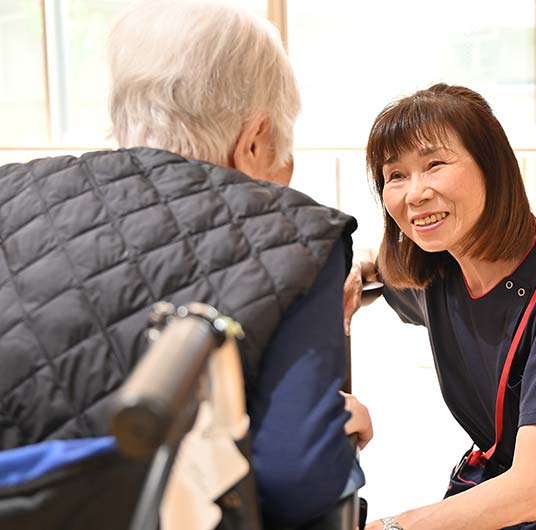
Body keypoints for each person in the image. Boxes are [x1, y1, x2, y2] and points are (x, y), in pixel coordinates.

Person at [0, 0, 371, 527]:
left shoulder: (10, 192)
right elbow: (297, 483)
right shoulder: (297, 234)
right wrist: (340, 431)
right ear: (254, 141)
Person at [345, 84, 536, 530]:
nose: (415, 194)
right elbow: (390, 275)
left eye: (434, 165)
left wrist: (392, 527)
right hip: (510, 500)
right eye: (396, 175)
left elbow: (528, 490)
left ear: (492, 167)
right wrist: (360, 268)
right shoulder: (440, 273)